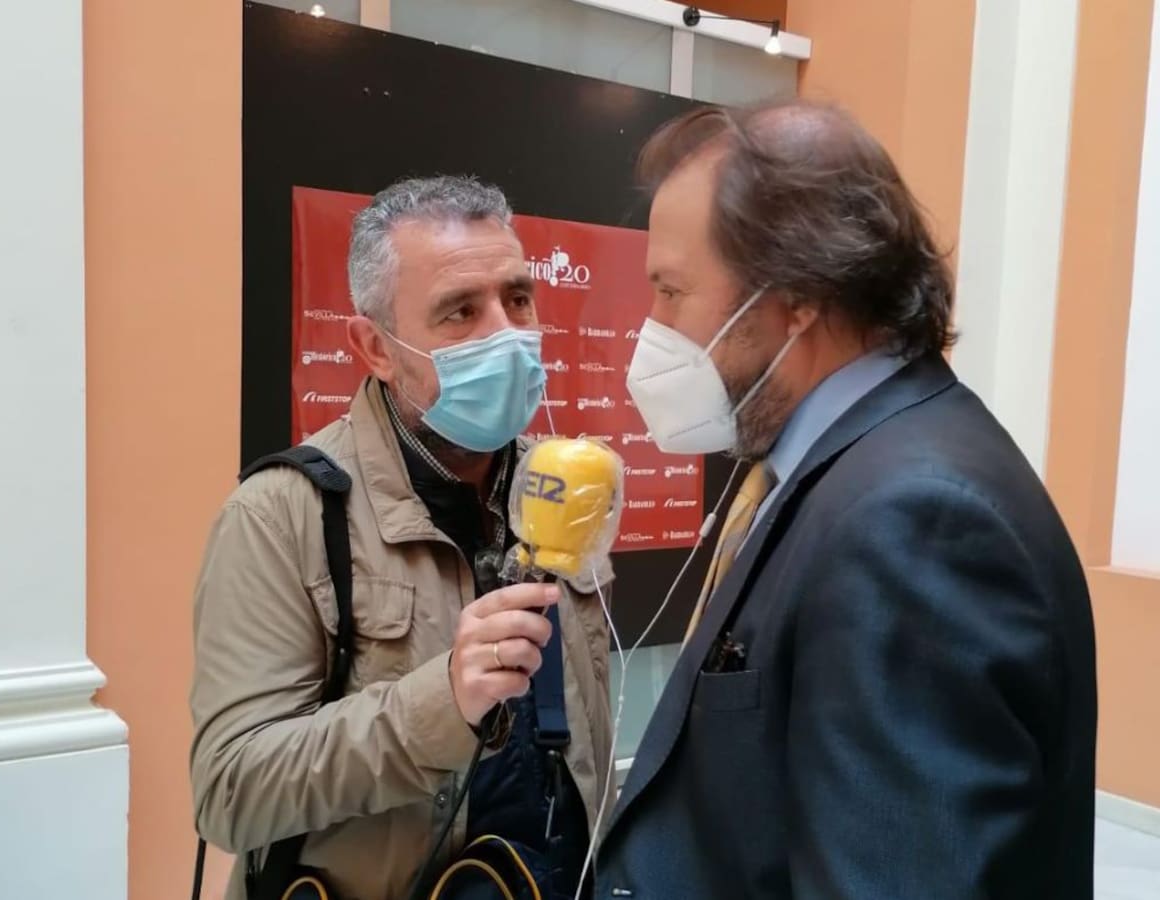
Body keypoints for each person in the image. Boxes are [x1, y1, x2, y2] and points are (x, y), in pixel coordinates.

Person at [599, 101, 1096, 899]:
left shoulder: (915, 523)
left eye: (672, 290)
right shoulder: (840, 468)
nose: (652, 327)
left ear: (798, 296)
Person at [191, 176, 612, 900]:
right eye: (460, 311)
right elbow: (230, 790)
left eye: (517, 299)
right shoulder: (280, 514)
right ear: (375, 348)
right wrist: (441, 702)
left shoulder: (556, 482)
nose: (506, 335)